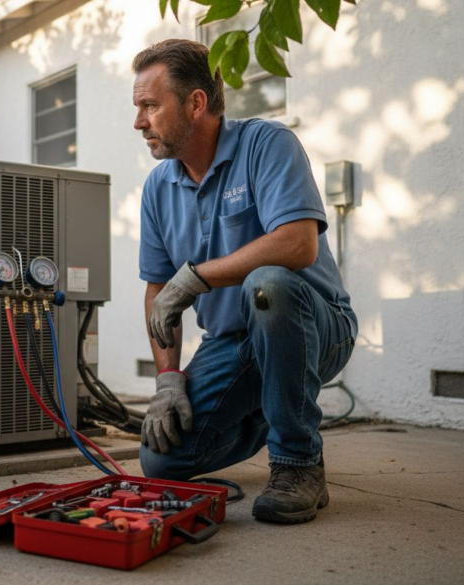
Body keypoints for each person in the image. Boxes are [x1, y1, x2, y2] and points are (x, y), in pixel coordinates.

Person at [132, 39, 357, 524]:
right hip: (233, 342)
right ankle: (274, 409)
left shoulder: (267, 144)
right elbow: (157, 291)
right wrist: (168, 378)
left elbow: (298, 244)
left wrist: (194, 279)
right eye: (138, 108)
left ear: (196, 103)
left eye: (150, 105)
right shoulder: (158, 188)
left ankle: (297, 463)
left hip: (314, 326)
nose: (139, 122)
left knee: (268, 284)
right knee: (162, 459)